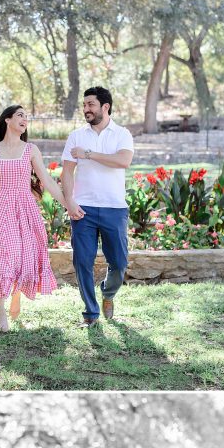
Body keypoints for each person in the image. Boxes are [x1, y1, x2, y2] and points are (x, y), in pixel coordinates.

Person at [0, 105, 69, 331]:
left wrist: (68, 204)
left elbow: (46, 181)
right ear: (7, 120)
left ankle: (16, 294)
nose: (24, 119)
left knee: (20, 255)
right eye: (20, 115)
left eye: (26, 116)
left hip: (24, 209)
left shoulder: (31, 150)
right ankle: (1, 314)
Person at [61, 87, 135, 326]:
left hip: (114, 208)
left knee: (119, 263)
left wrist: (89, 154)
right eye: (84, 105)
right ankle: (90, 313)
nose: (86, 110)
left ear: (106, 107)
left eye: (91, 105)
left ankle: (108, 292)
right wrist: (70, 201)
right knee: (82, 260)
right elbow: (67, 171)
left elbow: (122, 161)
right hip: (84, 208)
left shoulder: (122, 134)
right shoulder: (76, 136)